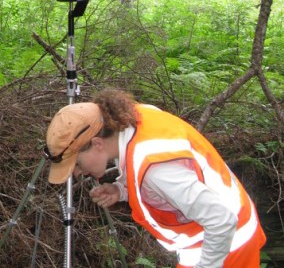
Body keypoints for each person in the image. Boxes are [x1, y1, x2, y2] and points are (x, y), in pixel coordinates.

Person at [44, 89, 266, 268]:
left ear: (97, 144)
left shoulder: (159, 171)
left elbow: (221, 221)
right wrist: (122, 189)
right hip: (210, 242)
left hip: (226, 249)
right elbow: (150, 170)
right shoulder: (136, 119)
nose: (78, 174)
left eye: (77, 165)